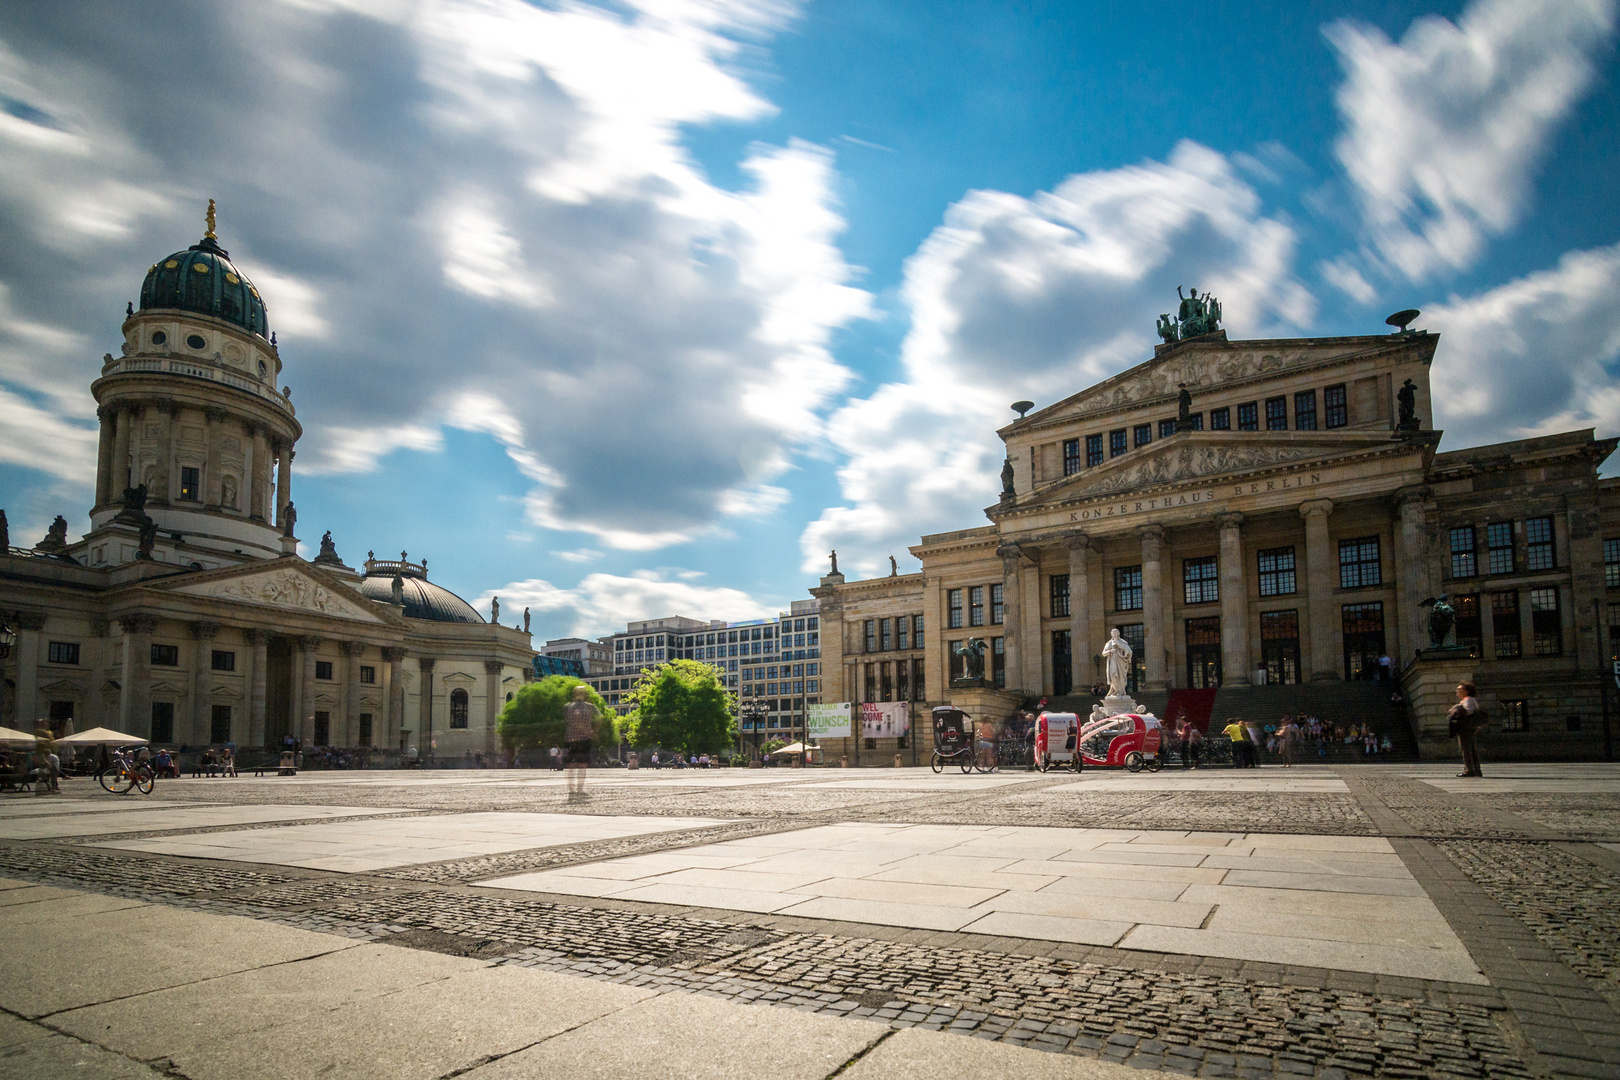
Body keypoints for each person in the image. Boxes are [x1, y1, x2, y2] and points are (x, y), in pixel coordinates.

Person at [564, 685, 596, 797]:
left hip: (570, 739)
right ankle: (579, 789)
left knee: (571, 765)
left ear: (574, 694)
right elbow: (600, 718)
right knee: (582, 765)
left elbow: (566, 721)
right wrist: (593, 731)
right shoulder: (590, 707)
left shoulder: (568, 707)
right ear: (585, 695)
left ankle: (571, 789)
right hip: (584, 739)